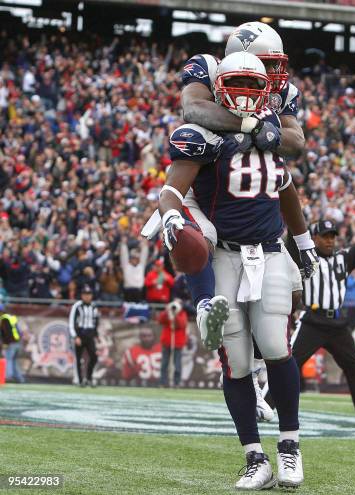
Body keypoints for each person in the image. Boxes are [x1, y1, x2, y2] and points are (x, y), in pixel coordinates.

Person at [158, 52, 308, 490]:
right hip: (225, 253)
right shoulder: (205, 132)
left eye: (252, 83)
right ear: (219, 85)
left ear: (267, 89)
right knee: (237, 362)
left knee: (276, 347)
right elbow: (171, 190)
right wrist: (170, 216)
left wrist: (304, 245)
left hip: (269, 253)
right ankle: (254, 457)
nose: (244, 93)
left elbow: (286, 189)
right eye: (235, 82)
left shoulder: (275, 129)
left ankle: (290, 448)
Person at [285, 199, 355, 427]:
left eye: (332, 236)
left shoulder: (343, 259)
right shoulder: (305, 257)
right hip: (312, 321)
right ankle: (265, 406)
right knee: (289, 364)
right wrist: (296, 211)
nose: (330, 240)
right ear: (313, 238)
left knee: (354, 367)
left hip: (338, 323)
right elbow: (293, 241)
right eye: (324, 236)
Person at [68, 285, 100, 387]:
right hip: (80, 335)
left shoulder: (94, 306)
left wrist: (96, 334)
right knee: (78, 359)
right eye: (85, 294)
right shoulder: (77, 306)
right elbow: (71, 322)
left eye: (89, 294)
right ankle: (79, 380)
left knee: (94, 357)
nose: (87, 296)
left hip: (90, 335)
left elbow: (96, 321)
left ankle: (89, 378)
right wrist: (75, 336)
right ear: (82, 295)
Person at [158, 299, 188, 388]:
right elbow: (160, 320)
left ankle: (176, 382)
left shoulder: (182, 314)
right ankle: (163, 383)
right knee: (164, 364)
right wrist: (167, 312)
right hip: (167, 342)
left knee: (177, 364)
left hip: (178, 343)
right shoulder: (168, 313)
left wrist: (175, 315)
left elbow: (181, 324)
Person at [120, 237, 149, 302]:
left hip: (139, 291)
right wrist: (123, 245)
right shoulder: (126, 266)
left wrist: (145, 245)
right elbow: (124, 256)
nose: (134, 260)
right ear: (130, 259)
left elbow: (144, 255)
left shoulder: (141, 266)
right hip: (128, 290)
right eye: (133, 258)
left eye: (136, 258)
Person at [0, 309, 25, 383]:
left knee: (8, 359)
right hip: (18, 342)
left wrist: (6, 343)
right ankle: (19, 378)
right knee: (14, 360)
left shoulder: (4, 319)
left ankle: (8, 377)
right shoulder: (11, 317)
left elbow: (7, 332)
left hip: (11, 342)